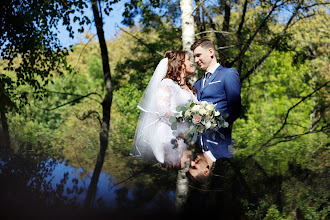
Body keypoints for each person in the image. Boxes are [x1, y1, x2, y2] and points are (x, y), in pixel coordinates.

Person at [131, 51, 197, 169]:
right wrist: (187, 116)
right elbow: (163, 111)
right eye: (188, 60)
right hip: (168, 137)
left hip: (182, 138)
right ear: (180, 64)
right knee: (177, 165)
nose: (192, 63)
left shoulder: (188, 87)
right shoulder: (167, 83)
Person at [189, 38, 241, 181]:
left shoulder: (228, 74)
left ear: (210, 52)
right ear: (207, 170)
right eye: (194, 57)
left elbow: (235, 108)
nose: (196, 59)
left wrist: (214, 123)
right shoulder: (197, 84)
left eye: (198, 55)